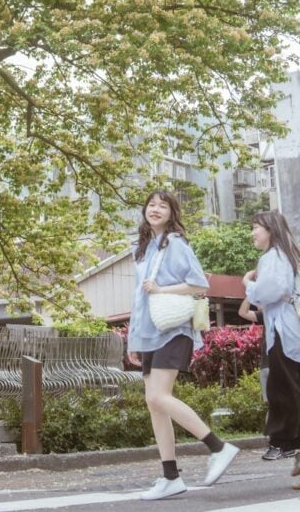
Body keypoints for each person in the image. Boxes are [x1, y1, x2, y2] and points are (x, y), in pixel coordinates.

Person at [128, 191, 239, 500]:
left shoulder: (175, 244)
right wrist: (133, 338)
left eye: (163, 205)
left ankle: (218, 447)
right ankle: (170, 476)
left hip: (173, 329)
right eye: (151, 204)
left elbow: (200, 284)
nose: (155, 209)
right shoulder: (143, 248)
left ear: (172, 212)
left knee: (159, 396)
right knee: (154, 403)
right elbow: (138, 297)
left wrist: (162, 289)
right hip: (148, 331)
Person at [243, 211, 300, 490]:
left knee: (288, 395)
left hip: (285, 334)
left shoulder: (273, 256)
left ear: (270, 229)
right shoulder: (289, 255)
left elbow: (266, 294)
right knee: (295, 392)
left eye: (256, 227)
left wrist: (248, 284)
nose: (253, 233)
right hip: (298, 335)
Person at [238, 296, 294, 462]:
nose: (259, 304)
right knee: (274, 405)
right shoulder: (265, 316)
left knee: (285, 405)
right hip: (269, 365)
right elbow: (243, 312)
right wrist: (250, 295)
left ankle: (283, 445)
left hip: (285, 364)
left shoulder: (285, 314)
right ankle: (277, 444)